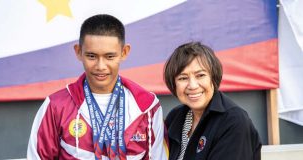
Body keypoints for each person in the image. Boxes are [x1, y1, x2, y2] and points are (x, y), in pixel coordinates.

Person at [27, 14, 169, 160]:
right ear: (78, 52)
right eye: (92, 56)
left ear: (124, 52)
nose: (100, 66)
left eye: (109, 57)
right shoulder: (56, 106)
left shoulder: (147, 106)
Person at [164, 42, 261, 160]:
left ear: (213, 77)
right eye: (183, 78)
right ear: (174, 84)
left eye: (200, 75)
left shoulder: (233, 121)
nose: (193, 85)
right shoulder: (175, 117)